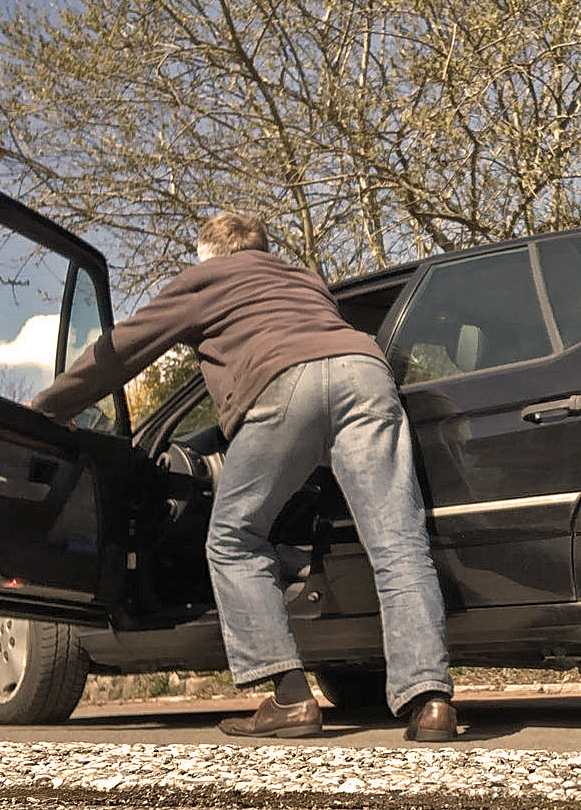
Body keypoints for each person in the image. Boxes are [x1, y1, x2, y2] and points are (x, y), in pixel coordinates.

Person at [32, 211, 456, 741]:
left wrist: (50, 406)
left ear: (207, 254)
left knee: (234, 538)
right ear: (261, 246)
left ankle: (290, 699)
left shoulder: (204, 279)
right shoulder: (302, 277)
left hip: (283, 382)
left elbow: (123, 349)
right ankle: (431, 700)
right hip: (364, 372)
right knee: (397, 542)